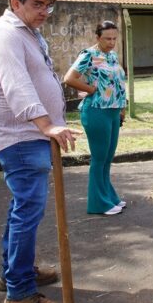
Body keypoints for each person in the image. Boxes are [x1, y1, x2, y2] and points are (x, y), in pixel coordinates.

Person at [0, 0, 81, 303]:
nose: (44, 12)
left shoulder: (27, 34)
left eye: (48, 6)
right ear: (15, 3)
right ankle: (19, 294)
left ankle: (15, 272)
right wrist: (46, 123)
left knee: (22, 209)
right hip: (22, 139)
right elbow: (16, 86)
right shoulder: (7, 34)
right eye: (38, 5)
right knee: (28, 211)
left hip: (32, 137)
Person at [63, 20, 128, 215]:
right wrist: (92, 90)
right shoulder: (88, 55)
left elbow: (117, 82)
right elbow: (69, 78)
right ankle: (99, 204)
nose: (111, 42)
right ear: (97, 37)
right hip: (96, 111)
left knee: (108, 158)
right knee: (99, 159)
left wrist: (122, 107)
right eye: (107, 38)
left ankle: (109, 197)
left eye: (114, 38)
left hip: (113, 111)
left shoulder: (112, 55)